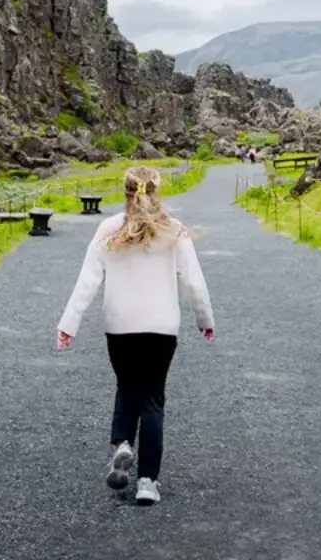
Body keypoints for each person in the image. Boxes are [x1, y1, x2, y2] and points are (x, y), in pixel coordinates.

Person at [55, 165, 215, 506]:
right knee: (153, 398)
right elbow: (193, 282)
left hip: (119, 325)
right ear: (157, 192)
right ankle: (147, 482)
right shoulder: (175, 231)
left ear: (126, 191)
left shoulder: (108, 229)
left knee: (127, 385)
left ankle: (123, 443)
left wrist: (68, 324)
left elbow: (87, 280)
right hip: (161, 327)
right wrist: (205, 319)